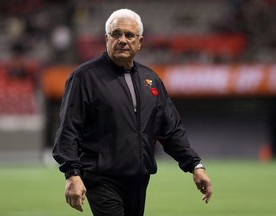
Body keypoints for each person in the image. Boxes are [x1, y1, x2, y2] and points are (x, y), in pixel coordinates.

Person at [52, 8, 212, 216]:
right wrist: (72, 174)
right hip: (101, 178)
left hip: (138, 179)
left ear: (140, 41)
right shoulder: (84, 77)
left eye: (129, 35)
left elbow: (170, 129)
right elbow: (68, 128)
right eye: (116, 34)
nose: (122, 40)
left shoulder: (151, 79)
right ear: (106, 39)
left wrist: (195, 166)